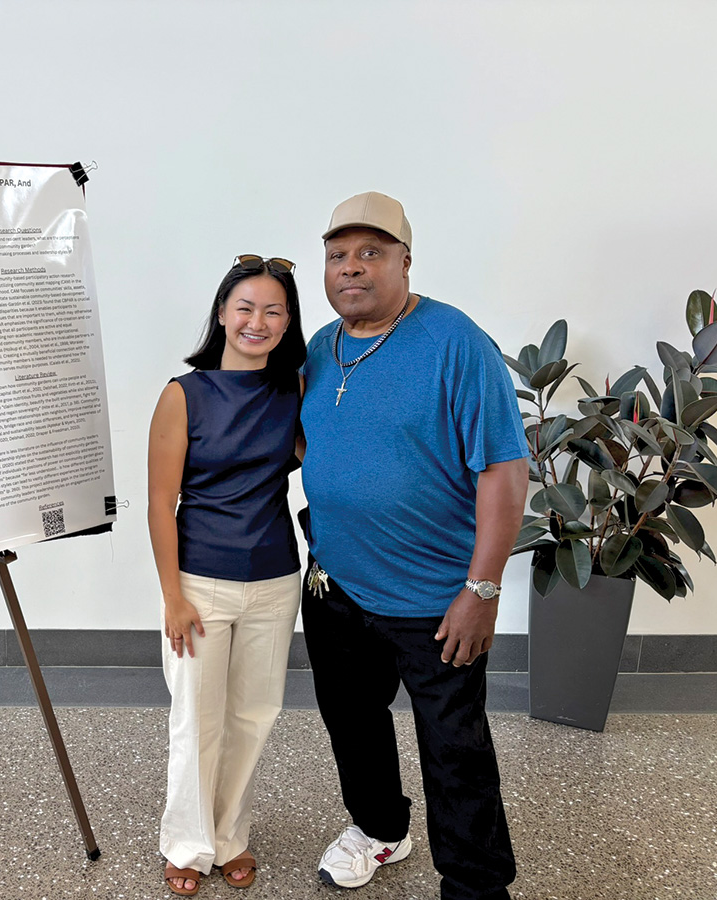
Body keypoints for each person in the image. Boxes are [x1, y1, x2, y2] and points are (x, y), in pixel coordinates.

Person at [298, 192, 528, 899]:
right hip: (335, 586)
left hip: (433, 599)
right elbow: (314, 438)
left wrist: (481, 590)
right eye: (338, 255)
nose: (352, 269)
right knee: (353, 724)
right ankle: (378, 829)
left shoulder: (454, 343)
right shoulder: (321, 345)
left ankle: (475, 884)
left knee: (454, 751)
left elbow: (505, 469)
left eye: (371, 253)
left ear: (405, 260)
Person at [148, 255, 306, 896]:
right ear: (221, 314)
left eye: (273, 310)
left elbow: (319, 459)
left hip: (275, 579)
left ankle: (230, 835)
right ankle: (187, 843)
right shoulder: (183, 395)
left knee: (254, 716)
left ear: (288, 320)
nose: (257, 321)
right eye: (245, 308)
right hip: (200, 582)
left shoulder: (294, 389)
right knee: (197, 720)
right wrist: (172, 595)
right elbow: (161, 501)